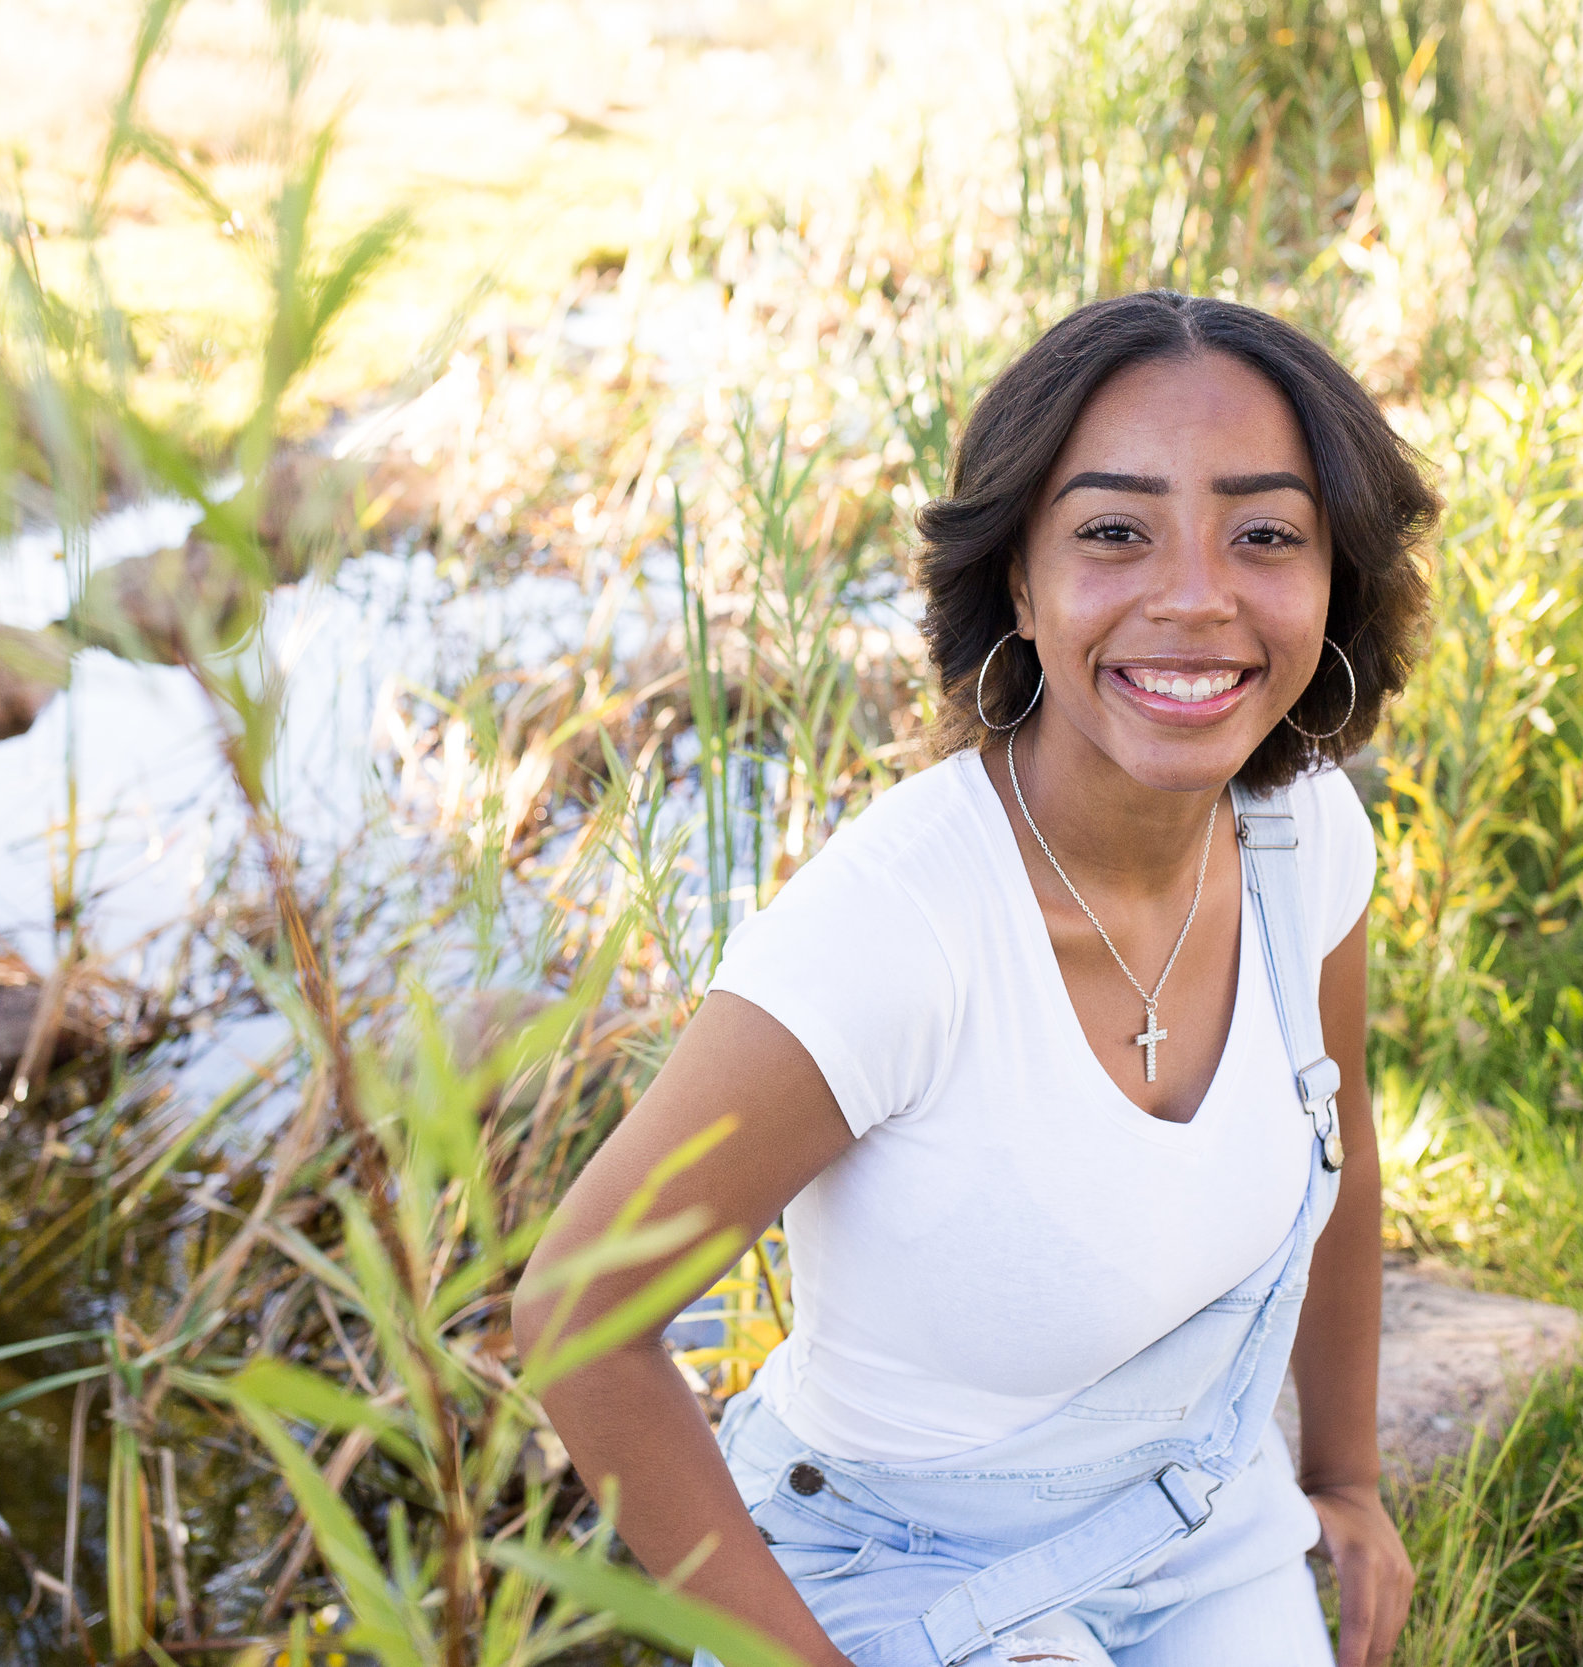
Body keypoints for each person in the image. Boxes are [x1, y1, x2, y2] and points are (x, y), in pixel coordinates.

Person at [517, 289, 1441, 1667]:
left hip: (1197, 1515)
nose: (1194, 596)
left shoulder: (1304, 834)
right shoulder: (896, 931)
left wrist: (1348, 1479)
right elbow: (579, 1314)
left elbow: (1342, 1154)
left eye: (1264, 534)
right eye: (1115, 533)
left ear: (1335, 579)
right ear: (1018, 576)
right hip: (889, 1563)